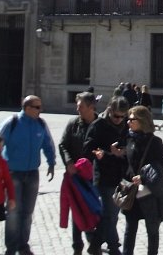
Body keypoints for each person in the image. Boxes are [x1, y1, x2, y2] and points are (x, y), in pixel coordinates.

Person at [0, 94, 56, 255]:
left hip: (32, 173)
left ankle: (23, 245)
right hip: (13, 173)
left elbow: (48, 144)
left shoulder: (41, 124)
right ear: (27, 108)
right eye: (37, 107)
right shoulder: (12, 123)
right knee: (13, 212)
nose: (41, 110)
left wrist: (51, 163)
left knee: (28, 212)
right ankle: (11, 247)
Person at [121, 105, 163, 255]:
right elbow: (126, 163)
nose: (128, 122)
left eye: (132, 119)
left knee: (152, 230)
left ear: (142, 121)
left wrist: (144, 178)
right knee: (130, 229)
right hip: (132, 192)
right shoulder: (129, 138)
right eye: (128, 119)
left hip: (149, 194)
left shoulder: (155, 142)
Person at [84, 96, 130, 255]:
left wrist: (124, 152)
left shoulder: (127, 125)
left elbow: (131, 146)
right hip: (104, 175)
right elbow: (88, 147)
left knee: (112, 214)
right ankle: (113, 247)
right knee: (110, 213)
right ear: (109, 110)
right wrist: (104, 153)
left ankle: (96, 242)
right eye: (116, 116)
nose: (119, 119)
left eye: (123, 116)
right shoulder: (98, 125)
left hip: (121, 175)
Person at [59, 92, 98, 255]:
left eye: (81, 106)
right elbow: (63, 145)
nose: (77, 109)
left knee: (94, 210)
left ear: (91, 107)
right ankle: (77, 246)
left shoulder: (100, 125)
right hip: (75, 175)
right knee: (77, 209)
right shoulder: (73, 124)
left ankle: (94, 244)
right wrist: (68, 162)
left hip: (95, 177)